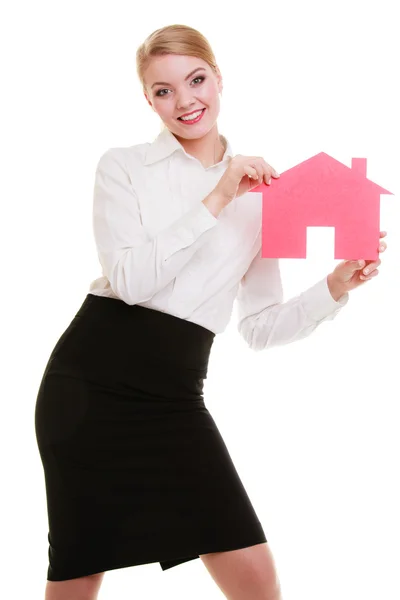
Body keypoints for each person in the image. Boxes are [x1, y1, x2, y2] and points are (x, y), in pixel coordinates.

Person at [34, 23, 387, 600]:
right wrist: (218, 194)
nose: (185, 101)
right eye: (163, 90)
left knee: (255, 575)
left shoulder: (264, 198)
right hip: (89, 385)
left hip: (175, 394)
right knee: (79, 566)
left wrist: (334, 284)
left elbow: (258, 327)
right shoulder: (123, 166)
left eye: (196, 80)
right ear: (147, 100)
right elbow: (128, 281)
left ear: (218, 78)